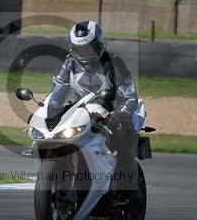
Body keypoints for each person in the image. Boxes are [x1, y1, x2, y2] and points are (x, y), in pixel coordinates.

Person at [44, 20, 140, 189]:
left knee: (122, 142)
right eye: (79, 49)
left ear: (99, 45)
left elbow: (131, 96)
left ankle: (127, 189)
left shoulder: (114, 63)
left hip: (112, 112)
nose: (84, 53)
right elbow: (55, 95)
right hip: (81, 111)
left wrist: (121, 114)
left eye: (88, 48)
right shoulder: (68, 64)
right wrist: (49, 113)